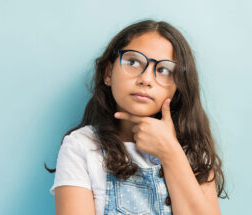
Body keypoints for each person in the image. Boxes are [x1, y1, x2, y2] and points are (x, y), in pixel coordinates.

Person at [44, 19, 228, 215]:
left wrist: (171, 153)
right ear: (108, 72)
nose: (146, 79)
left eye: (164, 70)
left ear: (178, 88)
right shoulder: (82, 146)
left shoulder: (194, 153)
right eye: (133, 62)